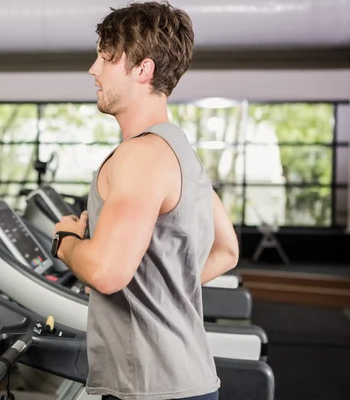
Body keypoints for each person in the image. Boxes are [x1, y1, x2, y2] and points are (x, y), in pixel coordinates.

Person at [52, 2, 239, 399]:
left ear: (143, 69)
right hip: (190, 380)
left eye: (105, 58)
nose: (93, 70)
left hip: (149, 387)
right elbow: (227, 250)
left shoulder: (141, 155)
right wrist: (151, 289)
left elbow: (104, 271)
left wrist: (66, 241)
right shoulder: (180, 150)